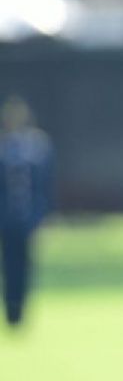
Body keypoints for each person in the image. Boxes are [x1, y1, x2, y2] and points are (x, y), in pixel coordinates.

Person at [0, 95, 53, 328]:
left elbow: (46, 185)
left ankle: (22, 312)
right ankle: (10, 311)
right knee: (9, 266)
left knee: (26, 266)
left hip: (28, 218)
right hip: (6, 219)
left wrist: (43, 217)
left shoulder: (38, 146)